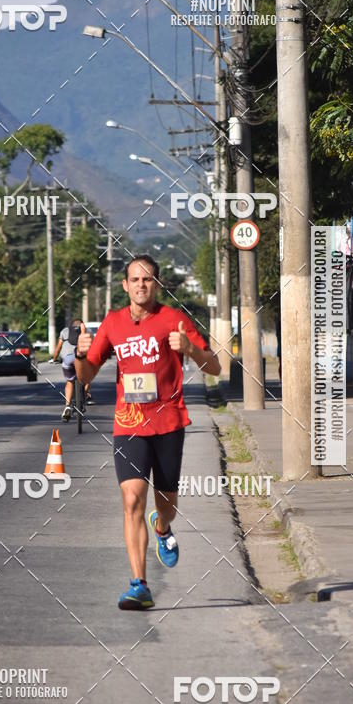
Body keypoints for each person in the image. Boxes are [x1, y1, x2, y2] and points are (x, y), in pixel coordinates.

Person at [74, 255, 221, 610]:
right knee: (131, 500)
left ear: (157, 284)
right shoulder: (113, 323)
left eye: (148, 279)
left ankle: (162, 528)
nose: (141, 285)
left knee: (166, 505)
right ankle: (139, 584)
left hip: (168, 423)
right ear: (125, 285)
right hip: (129, 425)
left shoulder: (174, 320)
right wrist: (79, 356)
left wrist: (189, 349)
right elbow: (86, 375)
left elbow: (215, 366)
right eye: (135, 279)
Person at [51, 319, 91, 421]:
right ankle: (85, 395)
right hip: (81, 359)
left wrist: (54, 359)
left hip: (68, 360)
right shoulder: (88, 332)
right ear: (82, 325)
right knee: (87, 377)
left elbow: (58, 347)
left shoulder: (65, 331)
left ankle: (67, 406)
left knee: (70, 382)